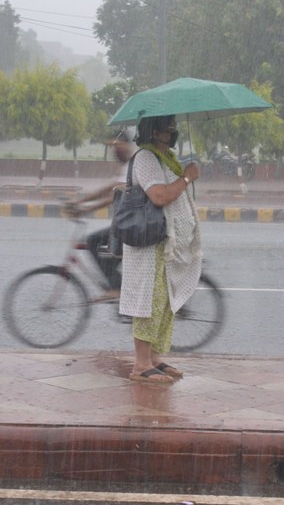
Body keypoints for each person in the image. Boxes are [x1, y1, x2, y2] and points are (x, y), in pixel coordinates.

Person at [120, 115, 202, 384]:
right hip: (149, 242)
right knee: (148, 301)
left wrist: (185, 175)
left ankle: (154, 358)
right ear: (154, 131)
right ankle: (141, 364)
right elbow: (159, 195)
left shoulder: (165, 159)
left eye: (175, 127)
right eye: (168, 128)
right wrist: (187, 178)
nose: (174, 131)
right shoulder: (146, 158)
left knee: (164, 302)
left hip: (165, 244)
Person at [64, 131, 135, 301]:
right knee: (107, 252)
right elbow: (111, 188)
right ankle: (119, 288)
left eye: (118, 146)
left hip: (135, 225)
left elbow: (112, 195)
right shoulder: (127, 166)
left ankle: (116, 288)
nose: (115, 151)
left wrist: (83, 207)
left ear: (128, 145)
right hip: (129, 222)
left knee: (93, 241)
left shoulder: (133, 165)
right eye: (112, 148)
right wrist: (81, 202)